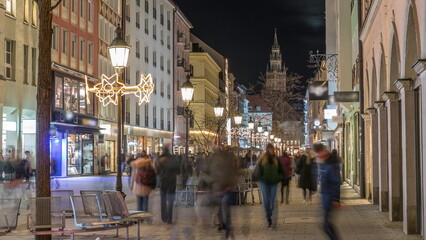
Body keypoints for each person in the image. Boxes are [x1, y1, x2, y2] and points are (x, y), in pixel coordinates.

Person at [200, 146, 237, 239]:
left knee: (223, 206)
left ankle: (226, 226)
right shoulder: (214, 160)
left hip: (224, 189)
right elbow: (204, 173)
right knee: (222, 207)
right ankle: (224, 225)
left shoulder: (226, 159)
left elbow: (233, 173)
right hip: (219, 189)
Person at [313, 143, 341, 240]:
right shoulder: (324, 162)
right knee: (326, 224)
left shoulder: (330, 163)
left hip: (329, 198)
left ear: (322, 151)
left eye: (317, 153)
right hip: (325, 198)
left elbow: (336, 182)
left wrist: (335, 199)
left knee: (325, 224)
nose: (317, 156)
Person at [255, 143, 284, 227]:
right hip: (264, 182)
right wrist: (259, 177)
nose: (272, 150)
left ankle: (271, 215)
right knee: (266, 201)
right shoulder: (262, 159)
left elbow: (281, 170)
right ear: (267, 150)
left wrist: (280, 177)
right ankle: (268, 216)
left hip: (273, 182)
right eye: (270, 149)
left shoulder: (276, 159)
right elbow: (258, 170)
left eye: (273, 149)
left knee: (272, 200)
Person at [156, 146, 180, 224]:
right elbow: (178, 171)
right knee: (170, 201)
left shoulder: (159, 159)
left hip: (163, 182)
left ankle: (164, 217)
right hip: (172, 183)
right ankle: (170, 218)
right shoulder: (173, 159)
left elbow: (157, 171)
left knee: (163, 201)